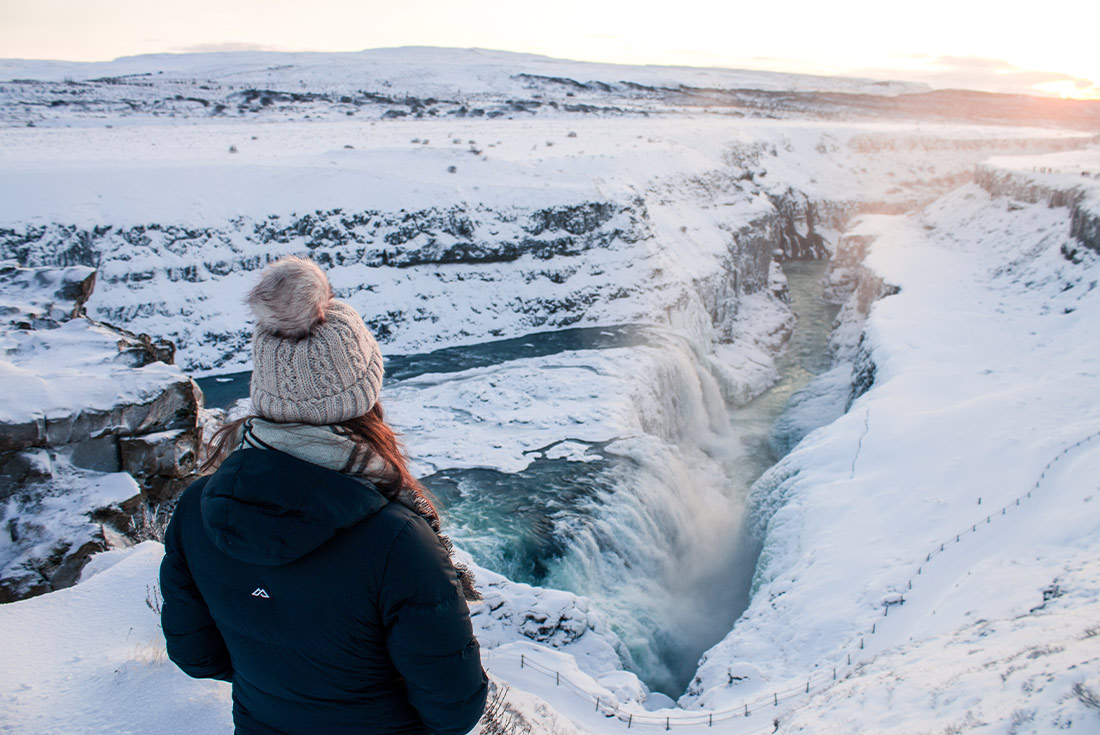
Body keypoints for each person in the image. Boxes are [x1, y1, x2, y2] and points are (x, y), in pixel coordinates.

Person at [159, 256, 488, 735]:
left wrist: (286, 686)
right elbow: (455, 708)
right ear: (364, 392)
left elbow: (195, 654)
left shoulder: (197, 509)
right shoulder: (397, 541)